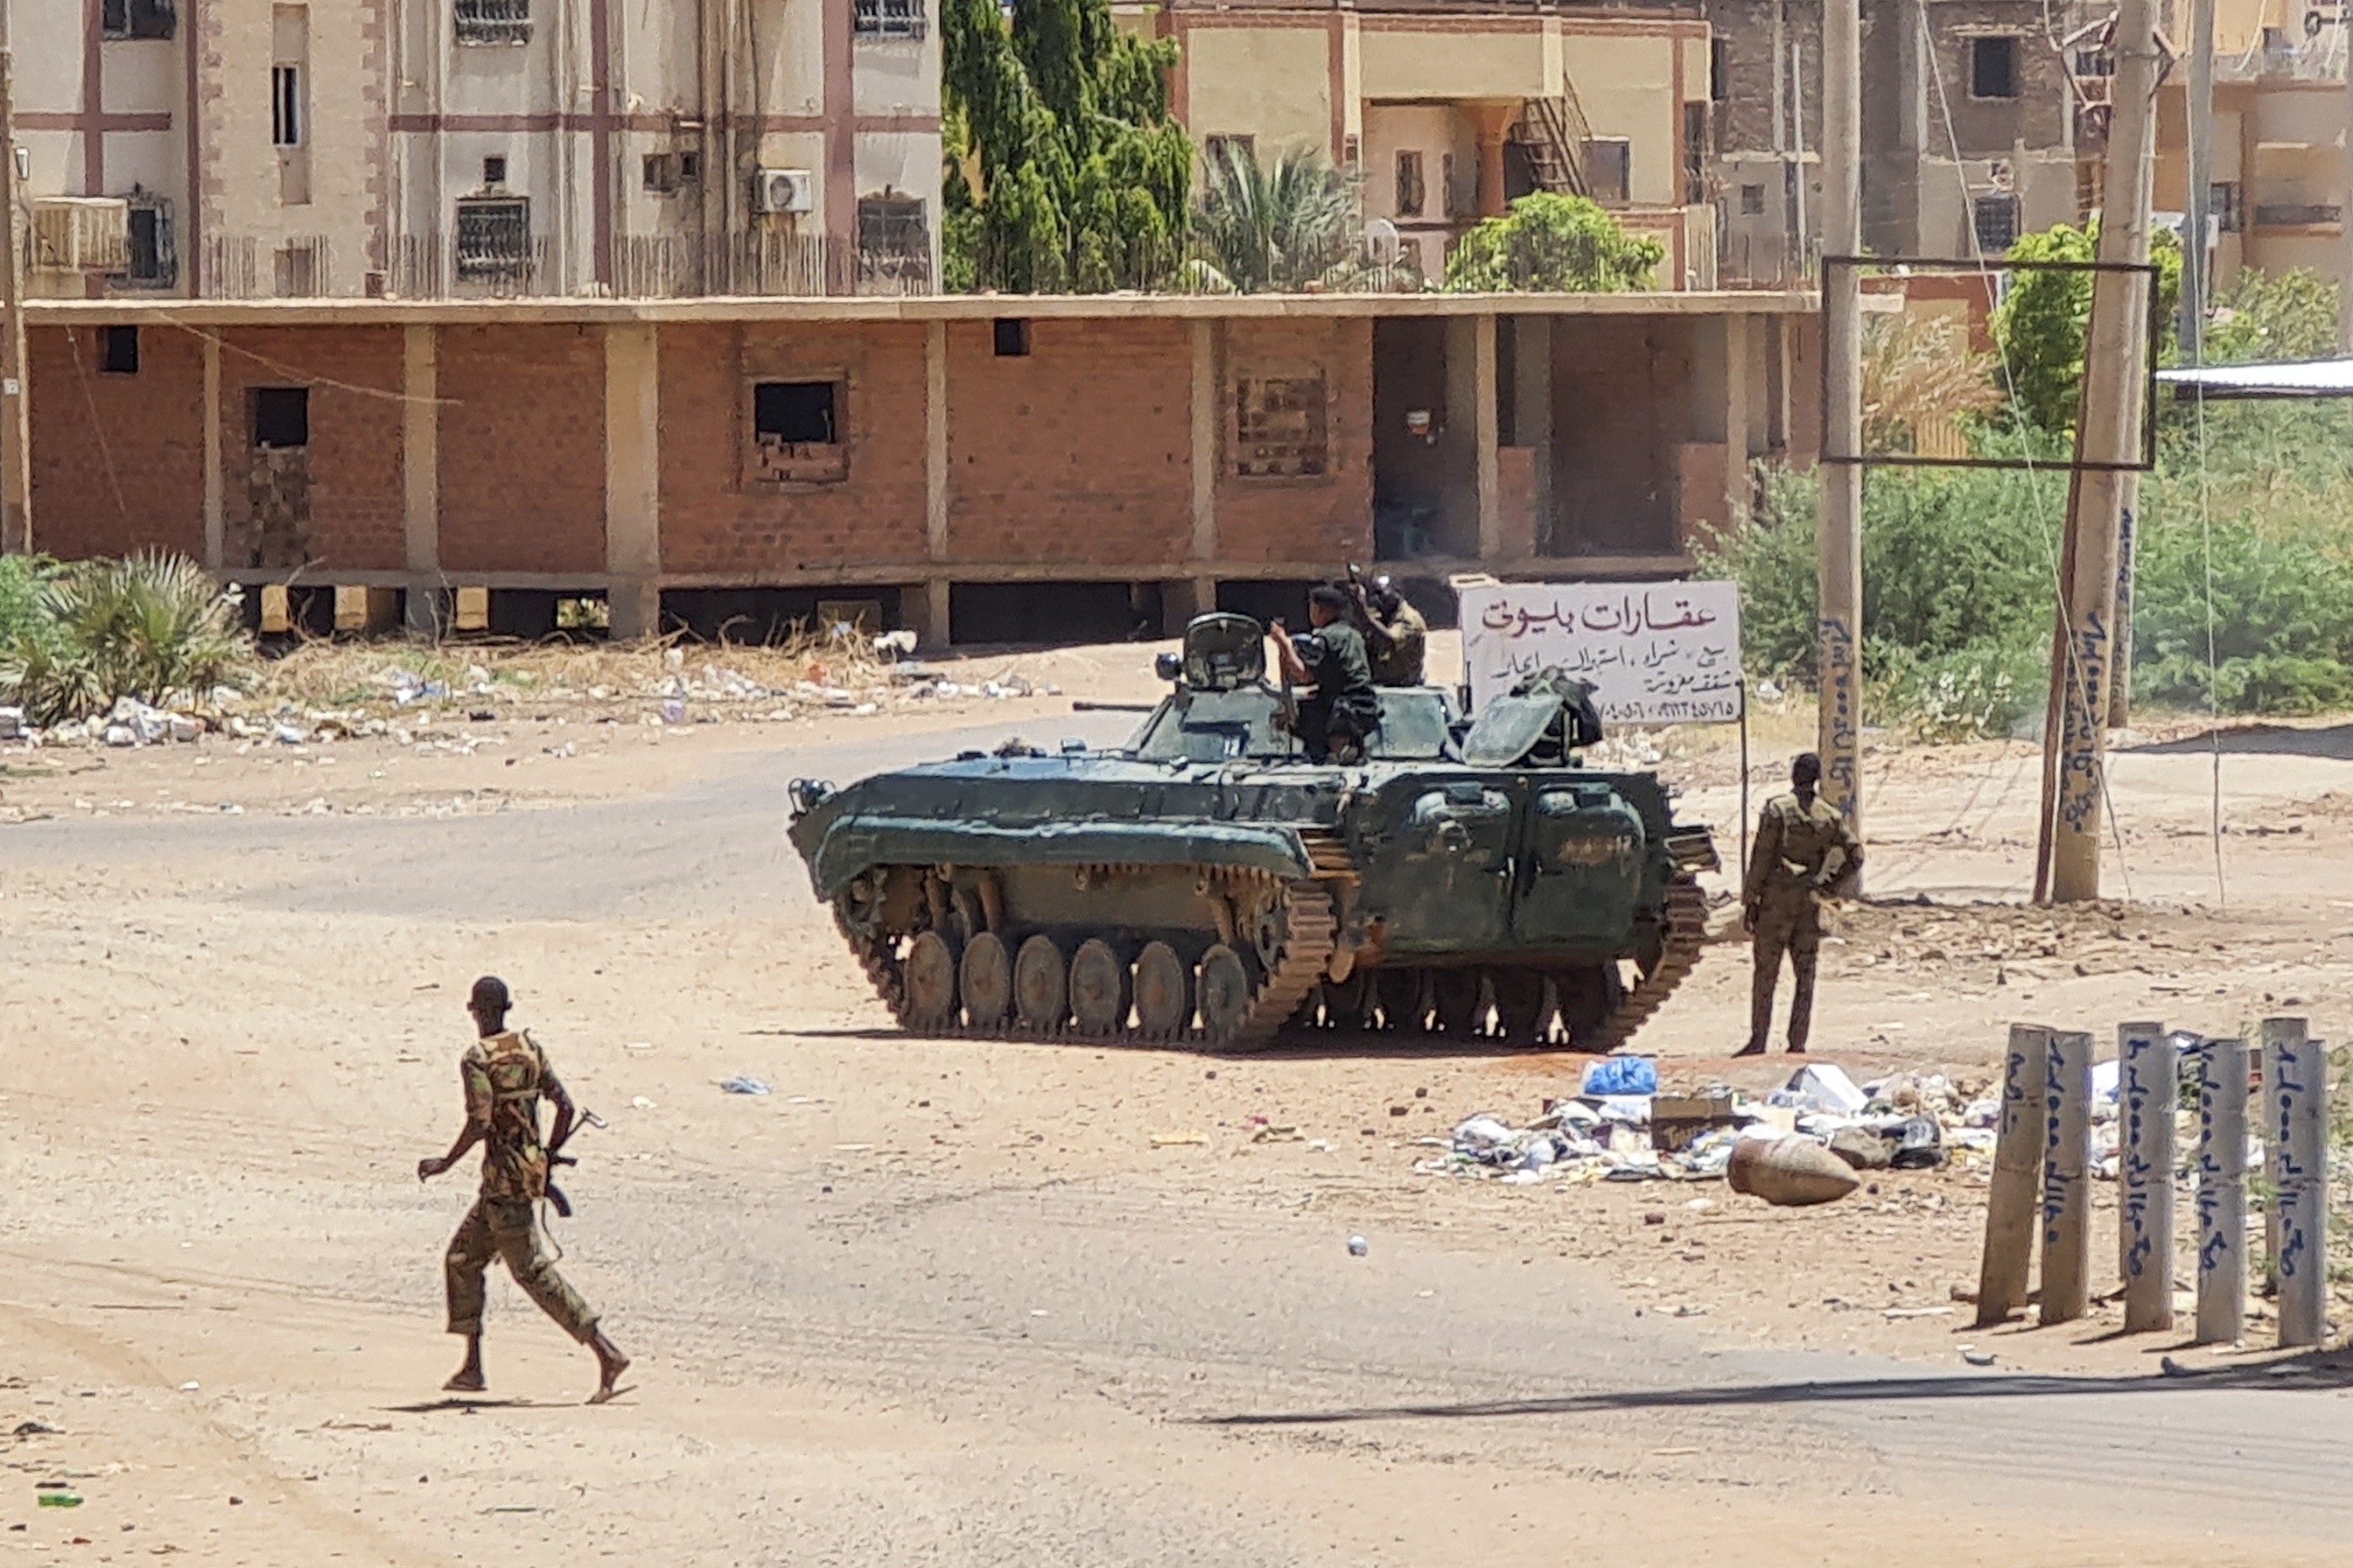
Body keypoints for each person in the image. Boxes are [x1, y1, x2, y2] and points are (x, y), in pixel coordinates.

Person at [418, 976, 630, 1402]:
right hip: (519, 1179)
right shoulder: (530, 1049)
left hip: (502, 1184)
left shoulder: (477, 1058)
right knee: (463, 1259)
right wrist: (546, 1154)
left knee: (532, 1272)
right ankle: (472, 1368)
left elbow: (480, 1121)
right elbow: (565, 1106)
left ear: (473, 1010)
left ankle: (605, 1352)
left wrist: (444, 1163)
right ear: (507, 1007)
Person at [1736, 753, 1861, 1058]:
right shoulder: (1829, 816)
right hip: (1807, 902)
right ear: (1817, 777)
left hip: (1775, 903)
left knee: (1766, 972)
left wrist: (1750, 898)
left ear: (1794, 776)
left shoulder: (1777, 810)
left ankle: (1758, 1040)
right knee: (1805, 974)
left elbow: (1762, 858)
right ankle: (1797, 1042)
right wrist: (1827, 884)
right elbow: (1855, 855)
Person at [1271, 584, 1381, 763]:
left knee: (1302, 717)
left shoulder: (1327, 637)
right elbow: (1342, 671)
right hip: (1365, 704)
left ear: (1321, 610)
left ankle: (1324, 756)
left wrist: (1284, 643)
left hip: (1342, 710)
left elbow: (1303, 674)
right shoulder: (1352, 633)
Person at [1353, 574, 1428, 686]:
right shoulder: (1382, 617)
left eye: (1380, 593)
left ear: (1397, 593)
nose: (1375, 599)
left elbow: (1390, 639)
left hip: (1405, 687)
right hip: (1380, 684)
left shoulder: (1410, 618)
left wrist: (1366, 616)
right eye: (1373, 594)